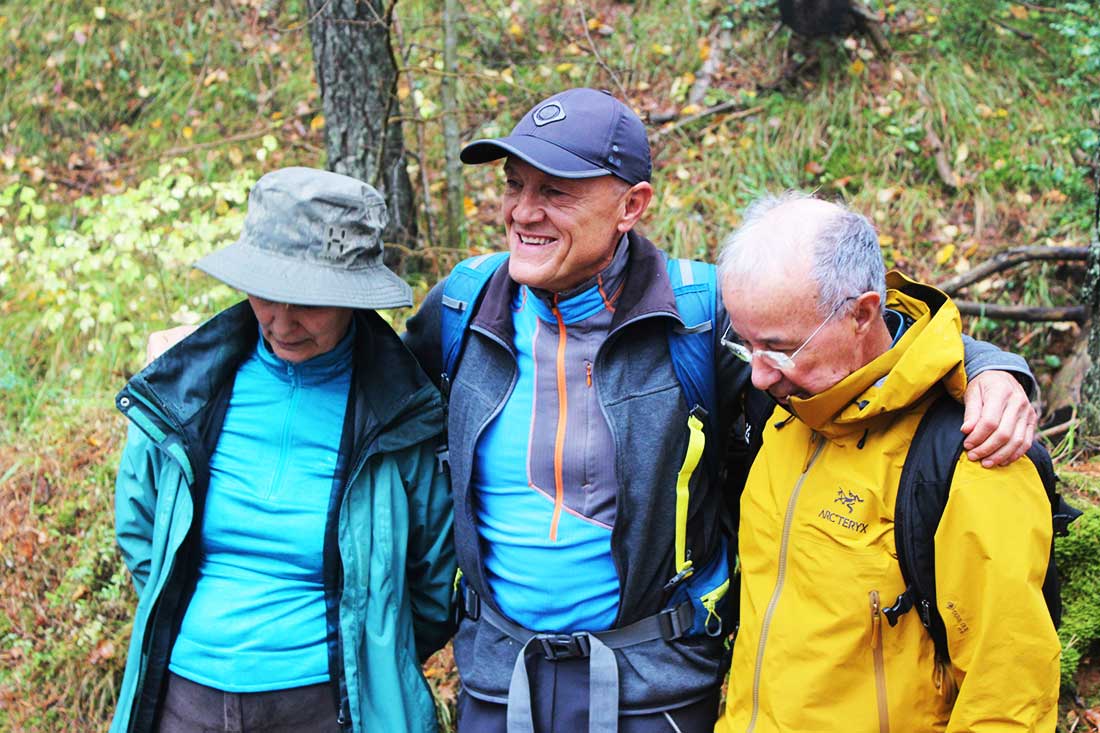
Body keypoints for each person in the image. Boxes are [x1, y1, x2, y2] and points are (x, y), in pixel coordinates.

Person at [403, 88, 1039, 732]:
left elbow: (852, 327)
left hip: (654, 686)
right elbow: (370, 388)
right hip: (499, 678)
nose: (523, 211)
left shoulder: (700, 313)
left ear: (633, 205)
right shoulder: (462, 305)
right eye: (514, 185)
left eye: (556, 191)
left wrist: (987, 366)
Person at [111, 167, 455, 733]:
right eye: (266, 296)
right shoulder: (186, 391)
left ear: (353, 298)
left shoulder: (400, 415)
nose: (281, 321)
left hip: (326, 705)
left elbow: (431, 578)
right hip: (184, 696)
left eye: (308, 302)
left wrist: (370, 655)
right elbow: (142, 529)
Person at [714, 192, 1059, 732]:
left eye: (778, 349)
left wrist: (991, 368)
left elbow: (1009, 691)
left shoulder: (974, 451)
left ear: (862, 313)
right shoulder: (781, 405)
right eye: (745, 346)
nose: (757, 374)